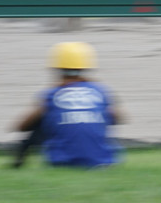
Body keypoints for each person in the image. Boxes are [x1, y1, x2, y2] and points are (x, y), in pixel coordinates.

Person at [11, 41, 123, 169]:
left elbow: (22, 127)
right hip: (104, 162)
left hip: (63, 163)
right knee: (101, 118)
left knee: (44, 118)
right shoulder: (101, 91)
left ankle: (17, 165)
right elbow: (118, 118)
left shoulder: (51, 94)